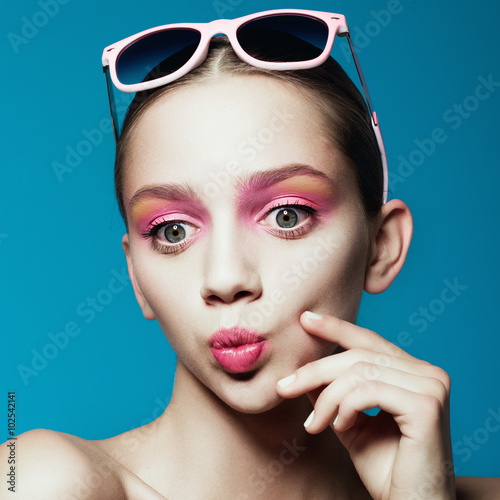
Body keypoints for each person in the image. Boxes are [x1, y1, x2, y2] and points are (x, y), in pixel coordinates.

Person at [2, 9, 499, 499]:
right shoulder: (43, 482)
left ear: (381, 247)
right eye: (173, 229)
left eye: (286, 215)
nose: (224, 278)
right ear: (135, 275)